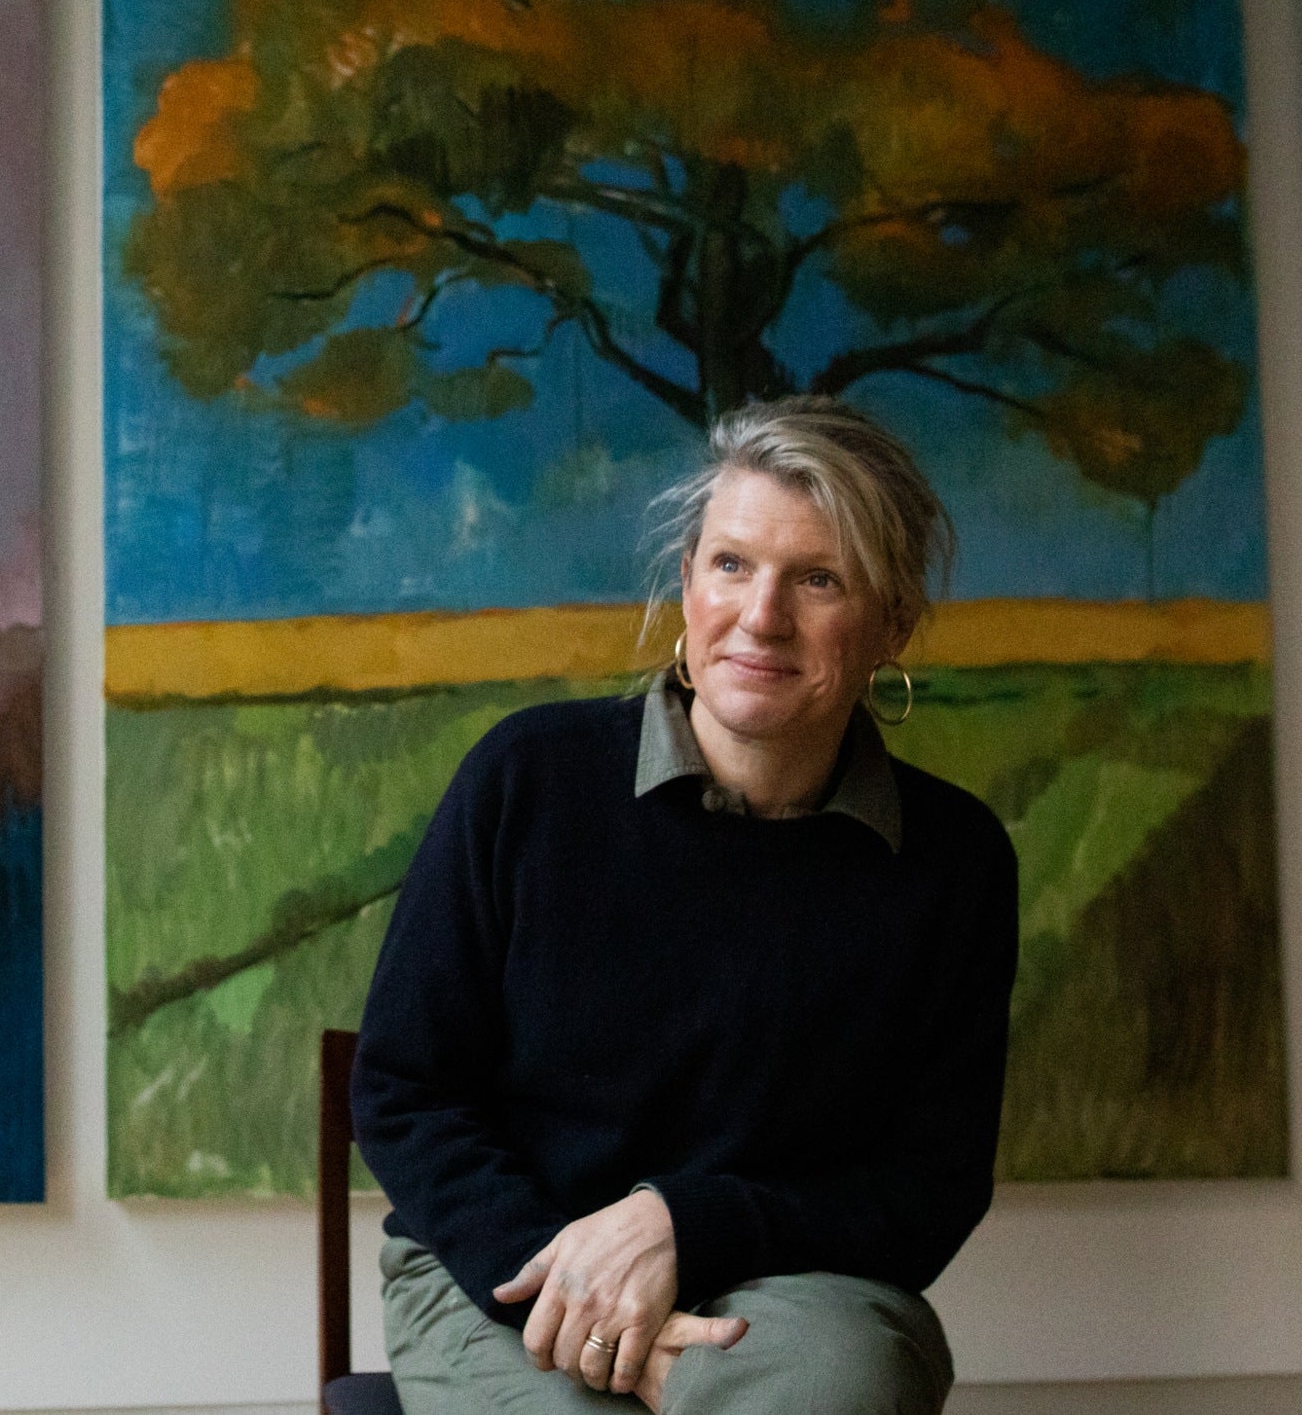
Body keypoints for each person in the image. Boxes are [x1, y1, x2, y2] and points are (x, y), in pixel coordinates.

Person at [353, 395, 1019, 1415]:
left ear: (894, 622)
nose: (762, 616)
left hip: (792, 1289)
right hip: (506, 1264)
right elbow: (405, 1088)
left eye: (820, 579)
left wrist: (685, 1224)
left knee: (829, 1393)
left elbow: (928, 1191)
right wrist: (573, 1283)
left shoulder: (956, 862)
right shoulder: (526, 780)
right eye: (732, 564)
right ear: (688, 581)